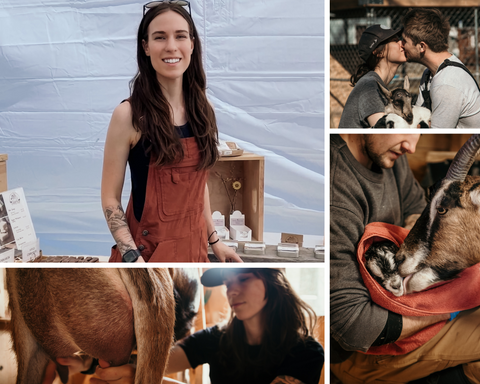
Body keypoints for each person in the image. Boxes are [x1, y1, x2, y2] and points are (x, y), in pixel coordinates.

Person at [330, 134, 480, 383]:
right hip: (364, 354)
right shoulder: (337, 195)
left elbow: (415, 209)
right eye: (401, 127)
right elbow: (355, 329)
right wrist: (452, 307)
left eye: (416, 130)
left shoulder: (388, 151)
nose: (411, 146)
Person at [101, 1, 242, 263]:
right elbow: (110, 199)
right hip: (147, 257)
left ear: (192, 44)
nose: (171, 46)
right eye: (159, 37)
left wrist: (215, 241)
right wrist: (132, 255)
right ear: (145, 46)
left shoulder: (203, 109)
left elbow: (198, 185)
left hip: (194, 252)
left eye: (180, 36)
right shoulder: (129, 115)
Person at [49, 268, 324, 384]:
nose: (232, 291)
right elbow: (154, 362)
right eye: (228, 284)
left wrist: (144, 378)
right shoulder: (217, 338)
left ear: (273, 283)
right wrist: (88, 363)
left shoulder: (307, 352)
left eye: (243, 279)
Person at [402, 8, 480, 128]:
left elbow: (430, 137)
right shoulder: (429, 74)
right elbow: (416, 122)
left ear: (421, 46)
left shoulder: (446, 83)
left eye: (404, 41)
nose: (401, 45)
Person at [338, 25, 406, 128]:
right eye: (395, 40)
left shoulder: (375, 84)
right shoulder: (369, 87)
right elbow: (385, 133)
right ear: (378, 52)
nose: (402, 43)